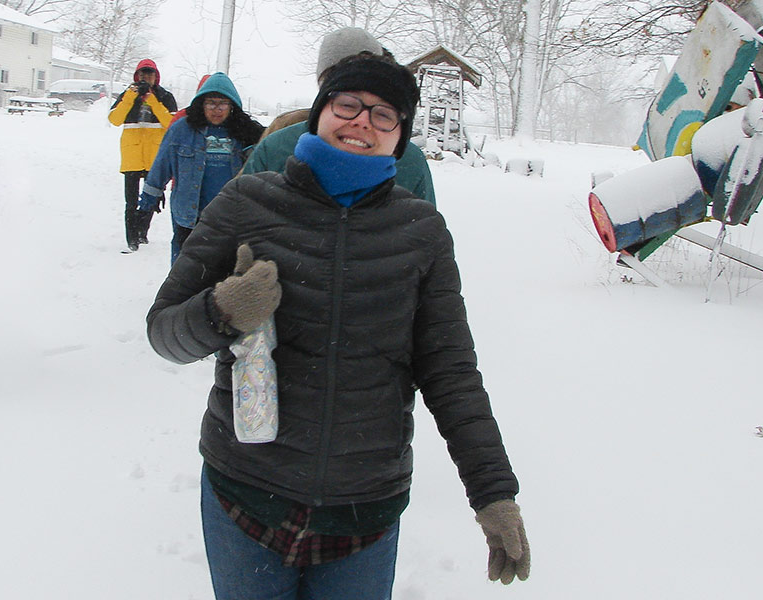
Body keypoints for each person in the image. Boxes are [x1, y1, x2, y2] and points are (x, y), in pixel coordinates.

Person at [146, 52, 529, 599]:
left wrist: (493, 491)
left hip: (364, 511)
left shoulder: (421, 230)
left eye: (384, 115)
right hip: (247, 496)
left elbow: (450, 370)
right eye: (348, 105)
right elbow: (163, 331)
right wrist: (220, 310)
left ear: (401, 136)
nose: (362, 123)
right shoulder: (246, 202)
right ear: (321, 111)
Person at [242, 27, 437, 206]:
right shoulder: (278, 143)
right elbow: (235, 220)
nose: (360, 120)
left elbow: (423, 232)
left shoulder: (410, 160)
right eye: (336, 79)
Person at [138, 72, 264, 264]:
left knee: (222, 270)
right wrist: (147, 202)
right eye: (211, 103)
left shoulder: (245, 133)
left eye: (223, 103)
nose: (217, 109)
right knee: (185, 268)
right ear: (201, 104)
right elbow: (161, 165)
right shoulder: (182, 129)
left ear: (232, 106)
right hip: (189, 216)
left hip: (229, 217)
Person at [108, 59, 178, 253]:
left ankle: (142, 232)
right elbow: (114, 119)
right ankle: (132, 239)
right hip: (132, 154)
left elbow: (171, 122)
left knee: (152, 197)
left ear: (156, 77)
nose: (145, 78)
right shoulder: (127, 95)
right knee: (130, 201)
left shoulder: (164, 96)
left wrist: (152, 100)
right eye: (142, 74)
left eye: (149, 74)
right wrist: (130, 96)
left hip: (155, 156)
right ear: (136, 76)